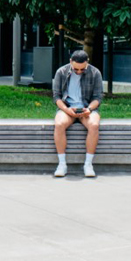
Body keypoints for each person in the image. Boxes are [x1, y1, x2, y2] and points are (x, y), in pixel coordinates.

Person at [51, 49, 103, 178]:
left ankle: (88, 164)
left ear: (87, 63)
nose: (79, 72)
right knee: (59, 124)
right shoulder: (61, 72)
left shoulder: (95, 72)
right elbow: (56, 97)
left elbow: (98, 97)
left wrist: (89, 109)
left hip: (87, 107)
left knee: (94, 125)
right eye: (76, 69)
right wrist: (67, 110)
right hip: (67, 107)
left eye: (82, 69)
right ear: (70, 62)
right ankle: (62, 164)